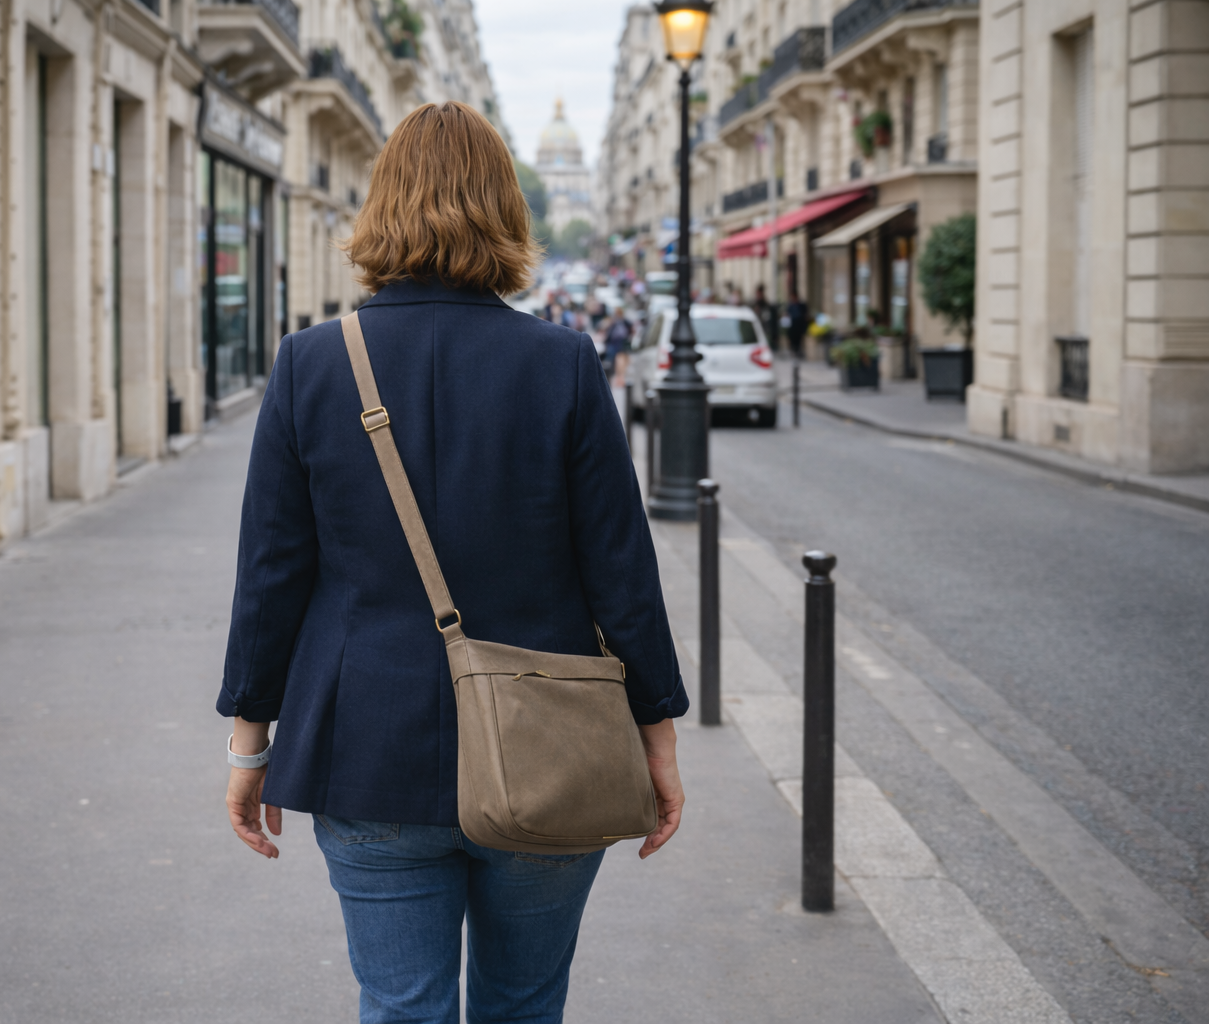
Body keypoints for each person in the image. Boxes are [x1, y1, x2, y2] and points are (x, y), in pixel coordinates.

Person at [219, 101, 688, 1024]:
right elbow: (622, 572)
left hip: (366, 748)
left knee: (400, 1008)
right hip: (547, 739)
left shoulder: (311, 363)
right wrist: (656, 736)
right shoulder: (562, 362)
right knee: (523, 1006)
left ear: (381, 208)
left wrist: (250, 744)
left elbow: (271, 574)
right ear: (506, 211)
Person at [785, 290, 809, 358]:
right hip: (792, 327)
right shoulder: (790, 306)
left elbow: (805, 315)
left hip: (799, 326)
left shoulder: (801, 305)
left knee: (799, 340)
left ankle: (798, 352)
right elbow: (787, 315)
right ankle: (794, 351)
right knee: (793, 340)